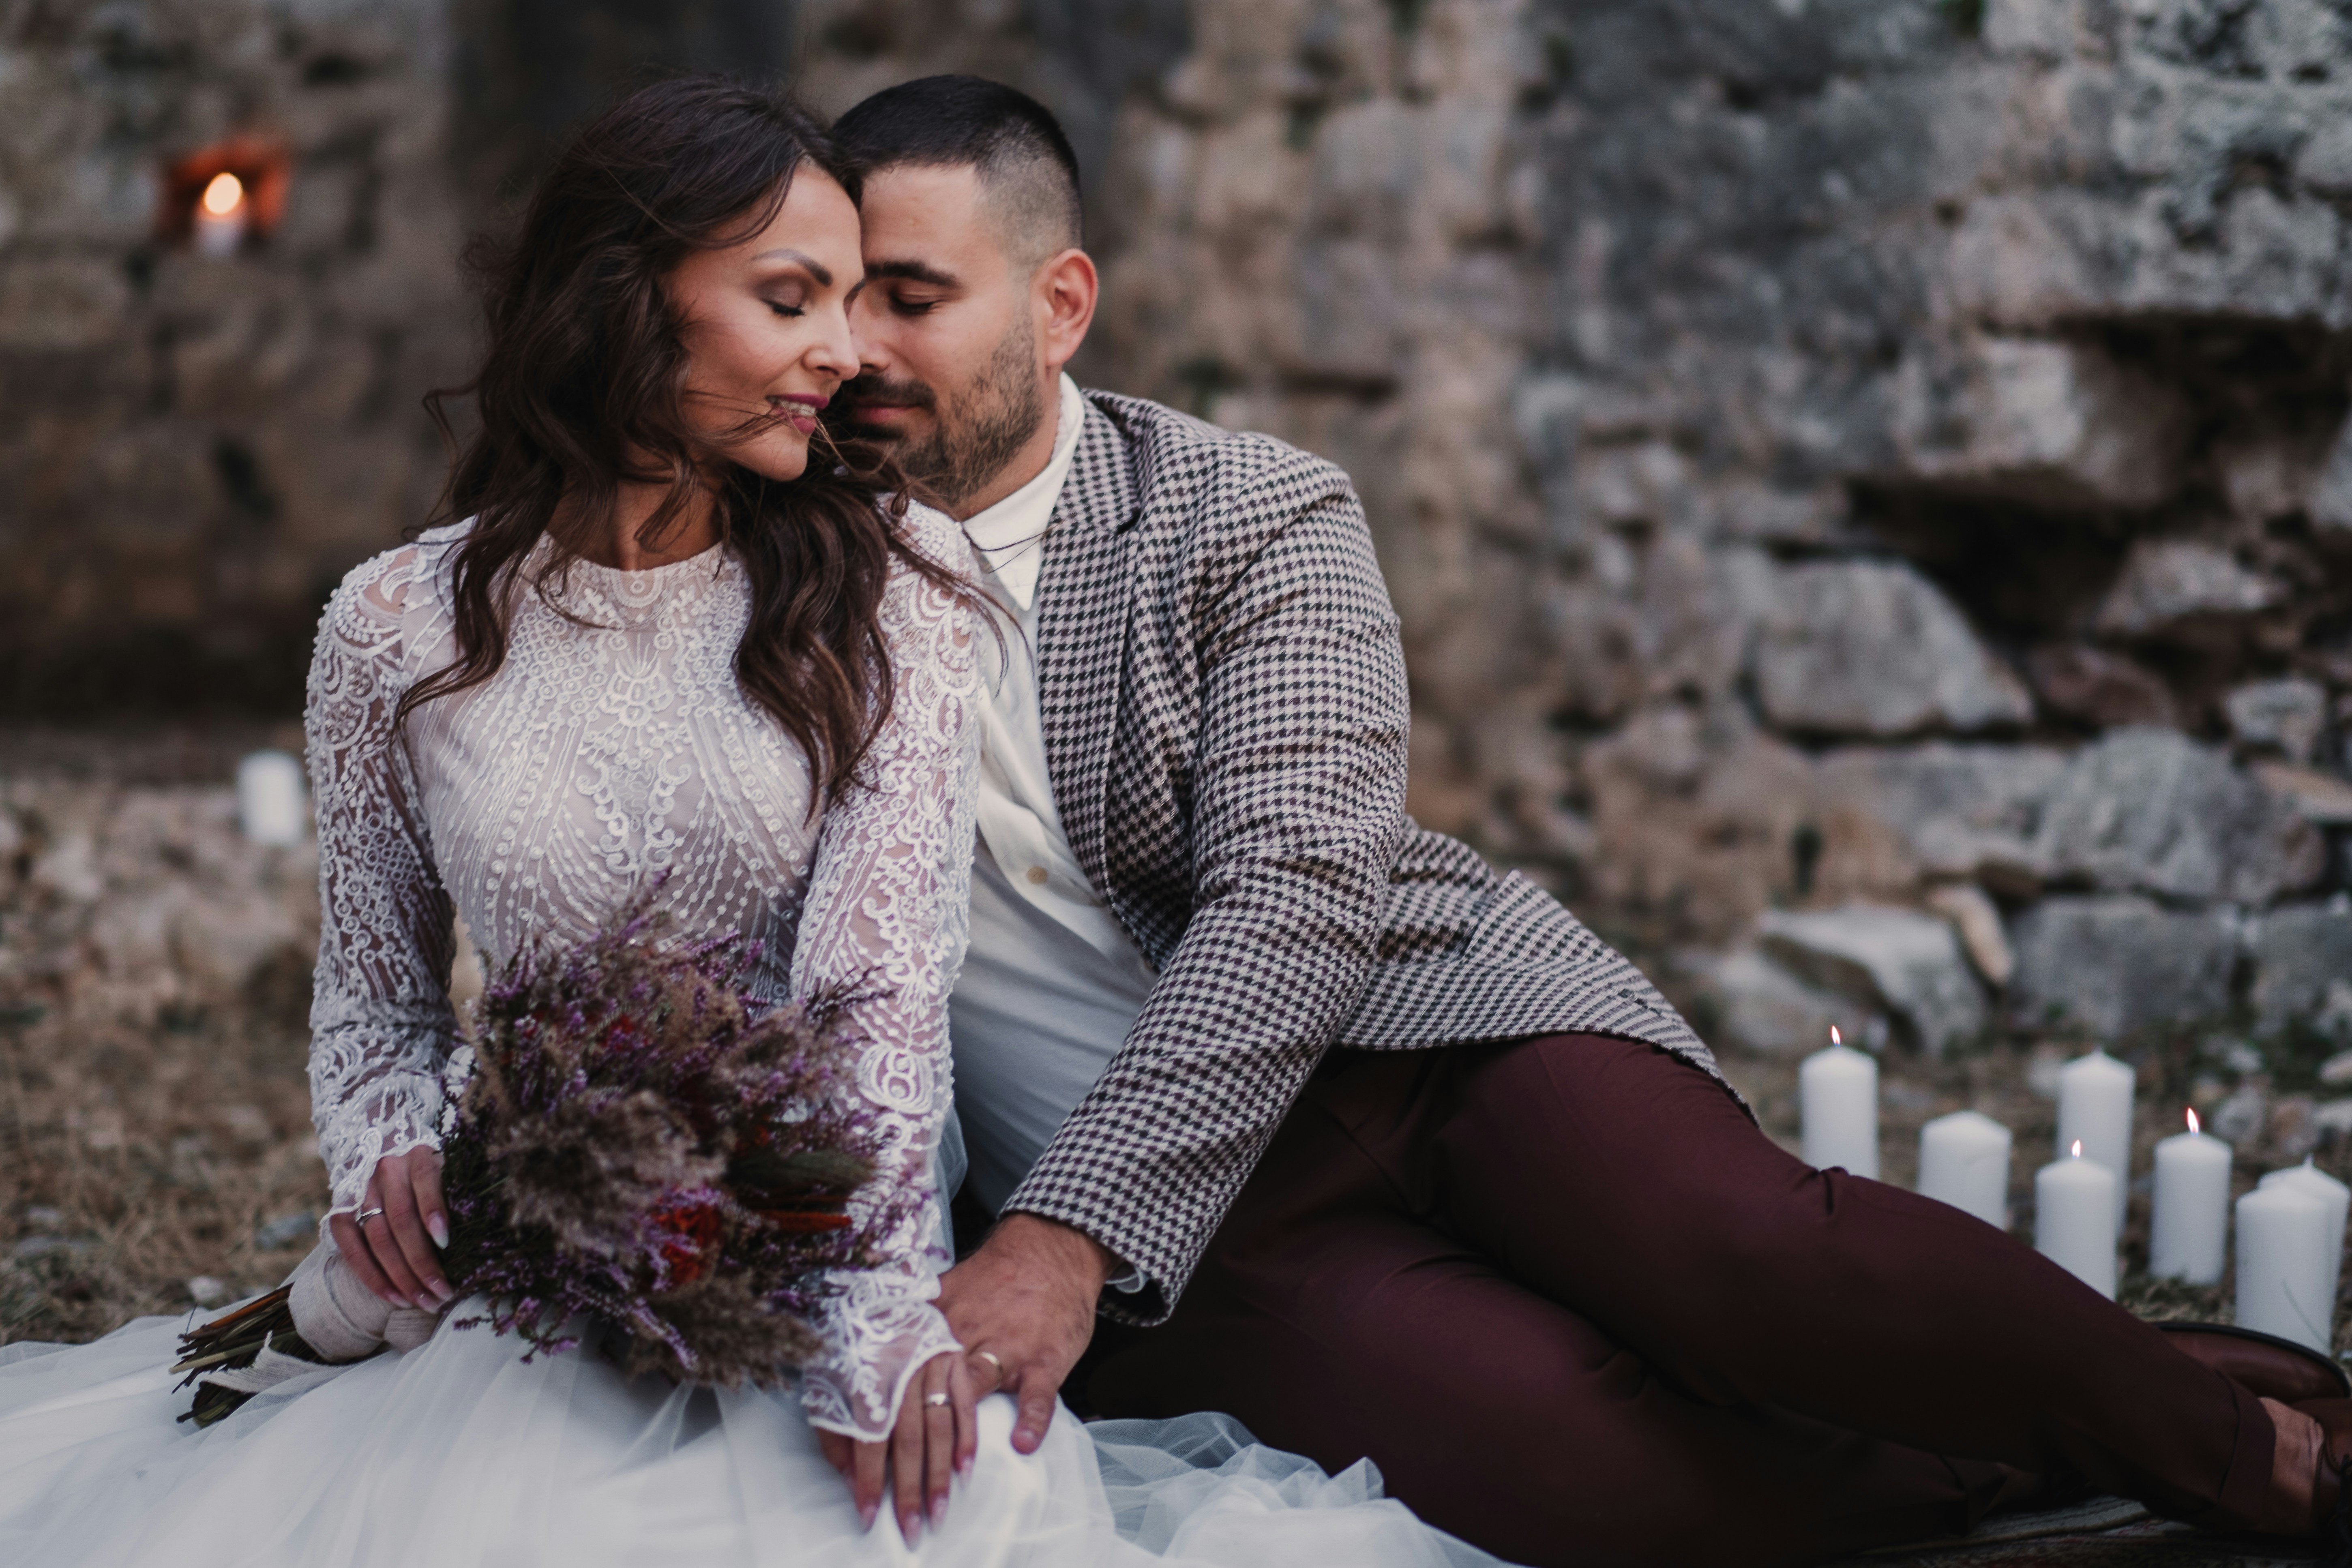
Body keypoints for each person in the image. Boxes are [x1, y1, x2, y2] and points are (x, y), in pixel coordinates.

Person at [826, 73, 2352, 1568]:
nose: (860, 348)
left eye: (913, 295)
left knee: (1755, 1266)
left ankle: (2260, 1461)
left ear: (1060, 303)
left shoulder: (1249, 511)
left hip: (1426, 1032)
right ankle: (2078, 1413)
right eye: (838, 299)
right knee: (1579, 1468)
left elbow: (1296, 890)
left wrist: (1062, 1241)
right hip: (1209, 1238)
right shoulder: (779, 571)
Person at [0, 78, 1497, 1568]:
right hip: (526, 1259)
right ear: (628, 305)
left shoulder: (893, 587)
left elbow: (880, 998)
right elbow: (378, 999)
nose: (845, 356)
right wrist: (382, 1155)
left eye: (856, 301)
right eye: (794, 301)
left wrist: (864, 1319)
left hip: (826, 1244)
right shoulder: (390, 628)